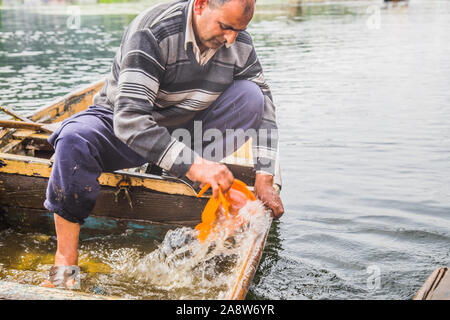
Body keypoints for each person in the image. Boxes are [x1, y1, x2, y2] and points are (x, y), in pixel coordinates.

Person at [41, 0, 284, 288]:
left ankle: (174, 170)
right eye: (225, 27)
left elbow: (265, 105)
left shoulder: (238, 40)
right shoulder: (153, 32)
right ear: (201, 5)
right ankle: (65, 260)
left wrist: (264, 177)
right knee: (73, 139)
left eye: (239, 30)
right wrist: (195, 165)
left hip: (187, 129)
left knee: (252, 96)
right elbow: (131, 120)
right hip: (124, 126)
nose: (231, 38)